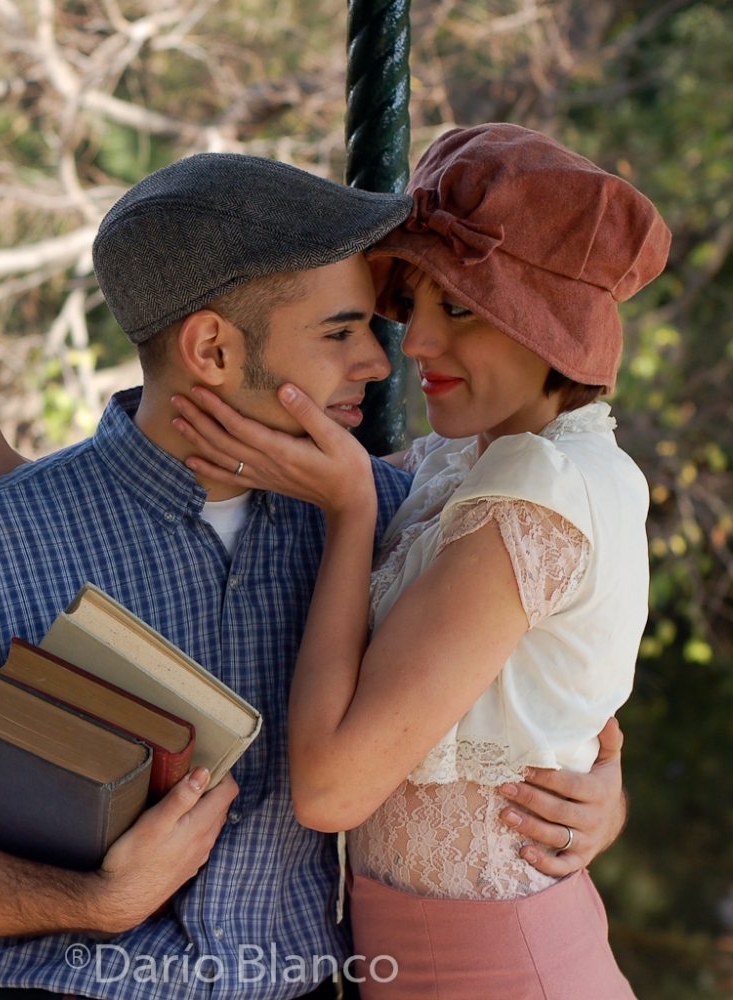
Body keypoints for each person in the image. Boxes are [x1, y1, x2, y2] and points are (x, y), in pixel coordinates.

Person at [0, 152, 628, 1000]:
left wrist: (600, 794)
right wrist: (97, 901)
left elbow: (546, 679)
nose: (379, 364)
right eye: (340, 331)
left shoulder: (387, 516)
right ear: (211, 348)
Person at [166, 125, 670, 999]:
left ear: (548, 330)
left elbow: (329, 791)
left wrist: (355, 511)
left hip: (499, 970)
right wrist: (9, 476)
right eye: (419, 302)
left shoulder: (538, 484)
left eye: (461, 309)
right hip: (427, 959)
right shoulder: (468, 460)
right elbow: (233, 490)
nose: (419, 342)